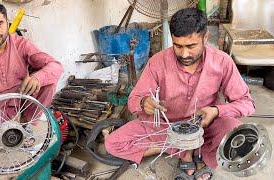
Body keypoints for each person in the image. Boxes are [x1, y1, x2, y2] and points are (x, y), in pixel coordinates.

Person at [105, 8, 255, 180]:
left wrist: (215, 111)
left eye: (191, 46)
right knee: (112, 143)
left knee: (235, 131)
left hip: (205, 126)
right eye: (178, 46)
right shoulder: (157, 62)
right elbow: (134, 100)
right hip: (166, 128)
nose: (184, 54)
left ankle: (192, 149)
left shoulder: (222, 62)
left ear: (205, 38)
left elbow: (247, 103)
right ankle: (186, 150)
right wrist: (143, 102)